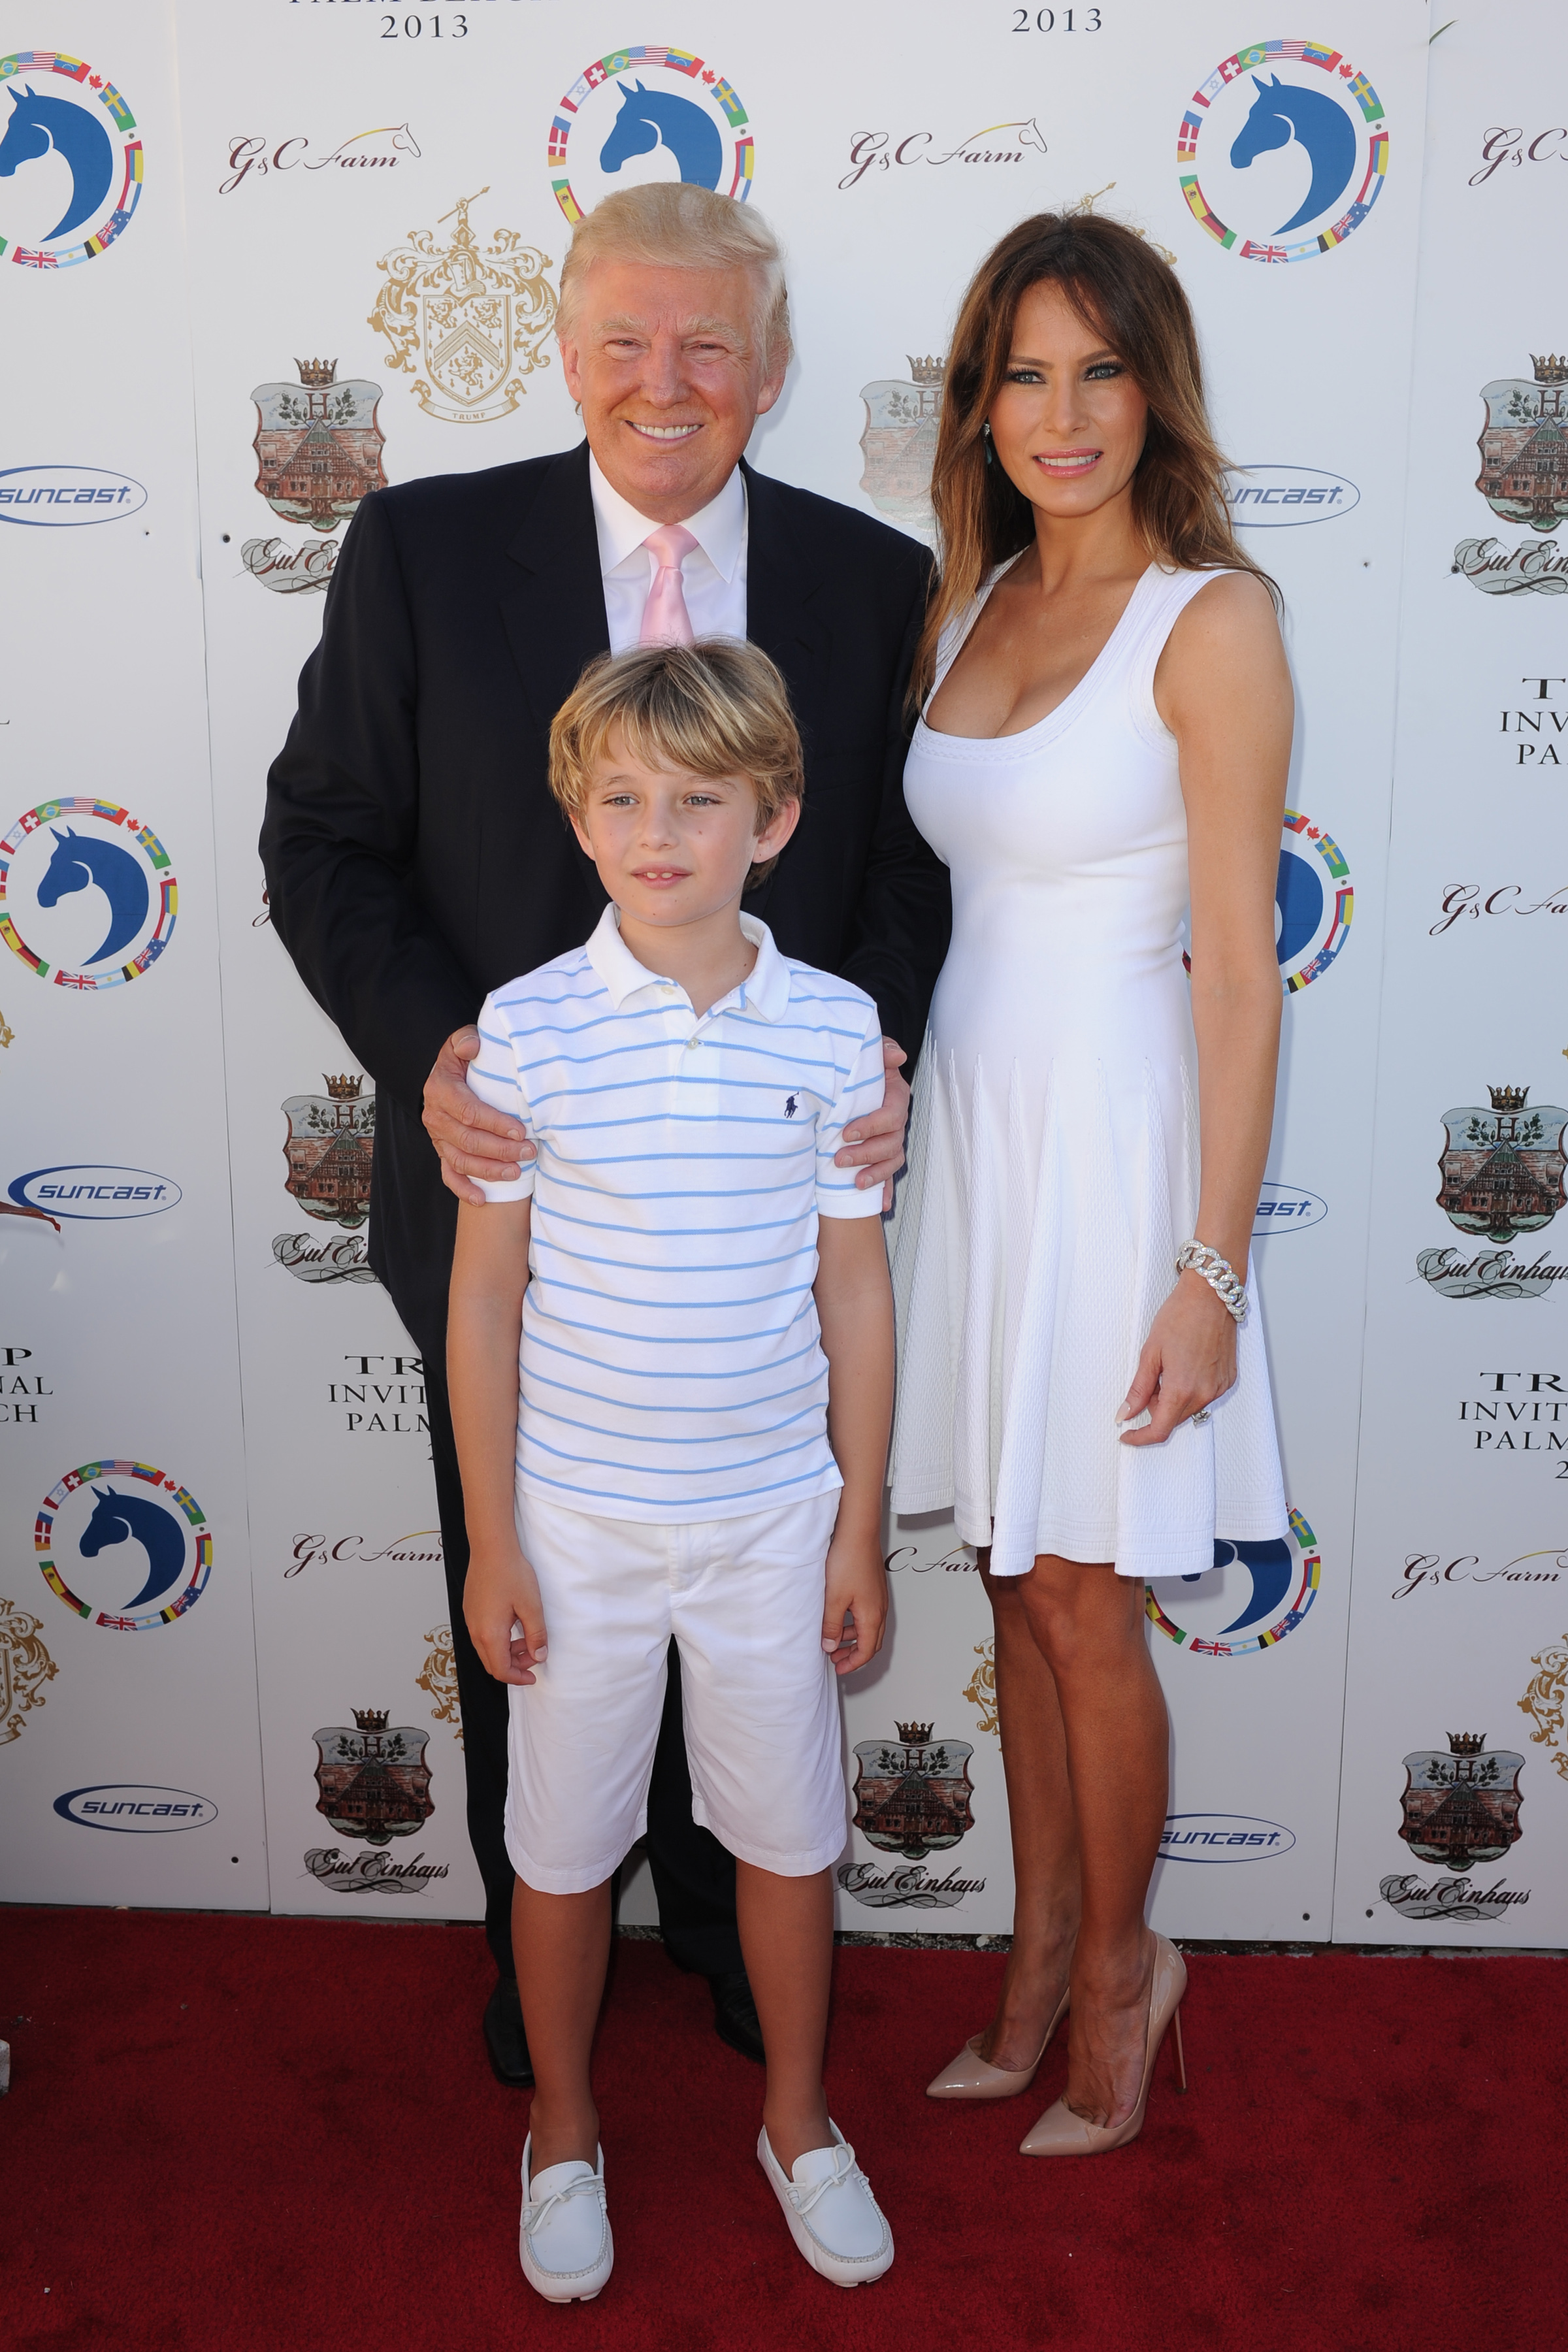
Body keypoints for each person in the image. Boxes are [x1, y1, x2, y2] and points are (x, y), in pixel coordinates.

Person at [260, 182, 949, 2087]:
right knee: (536, 1596)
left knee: (751, 1583)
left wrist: (871, 1048)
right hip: (511, 1195)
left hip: (765, 1223)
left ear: (773, 370)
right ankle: (539, 1946)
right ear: (566, 356)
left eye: (711, 345)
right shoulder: (416, 548)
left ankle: (738, 1934)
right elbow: (320, 837)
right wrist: (438, 1059)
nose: (669, 382)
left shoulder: (868, 579)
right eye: (628, 342)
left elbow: (901, 875)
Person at [890, 209, 1292, 2152]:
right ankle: (1035, 1957)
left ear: (1157, 389)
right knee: (1004, 1570)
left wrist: (1209, 1268)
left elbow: (1239, 968)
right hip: (977, 1138)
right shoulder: (964, 599)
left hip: (1121, 1149)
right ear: (980, 402)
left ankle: (1126, 1980)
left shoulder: (1210, 620)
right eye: (1024, 373)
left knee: (1081, 1605)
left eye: (1101, 370)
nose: (1063, 413)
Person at [449, 640, 897, 2300]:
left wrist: (856, 1526)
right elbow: (485, 1297)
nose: (660, 832)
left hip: (775, 1519)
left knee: (787, 1839)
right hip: (573, 1521)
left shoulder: (842, 1031)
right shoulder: (528, 1029)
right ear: (577, 819)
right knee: (559, 1848)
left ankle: (797, 2121)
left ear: (771, 822)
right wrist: (496, 1538)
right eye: (624, 798)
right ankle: (561, 2129)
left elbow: (855, 1290)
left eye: (700, 801)